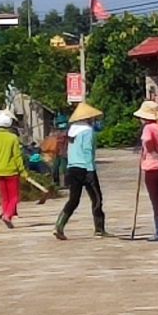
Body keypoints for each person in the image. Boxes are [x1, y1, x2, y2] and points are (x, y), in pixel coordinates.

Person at [53, 100, 107, 238]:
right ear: (88, 118)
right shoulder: (88, 131)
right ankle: (99, 229)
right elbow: (87, 151)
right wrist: (90, 171)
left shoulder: (72, 131)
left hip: (72, 168)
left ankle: (59, 225)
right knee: (97, 199)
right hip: (85, 168)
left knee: (73, 200)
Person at [137, 101, 158, 240]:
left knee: (156, 200)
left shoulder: (148, 128)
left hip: (152, 167)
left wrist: (149, 150)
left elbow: (147, 141)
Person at [0, 110, 24, 226]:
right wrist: (22, 170)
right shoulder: (12, 138)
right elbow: (17, 156)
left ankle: (5, 213)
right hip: (11, 171)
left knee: (4, 197)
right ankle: (7, 215)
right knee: (14, 197)